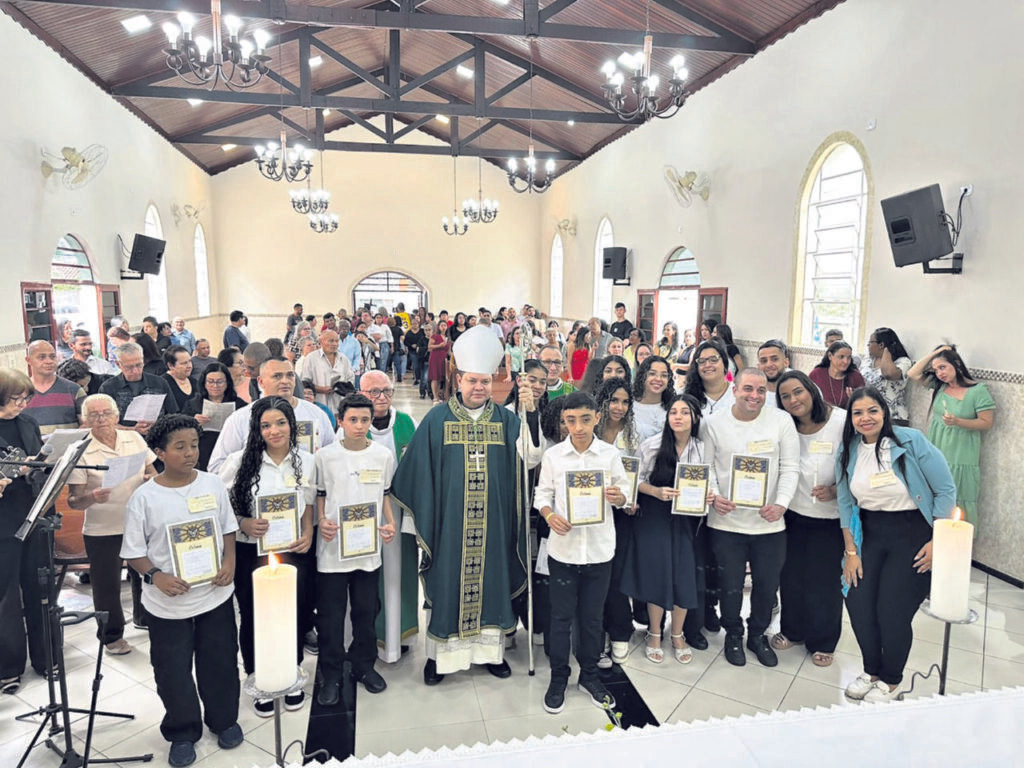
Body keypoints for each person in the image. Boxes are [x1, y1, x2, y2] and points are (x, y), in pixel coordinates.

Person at [390, 326, 541, 685]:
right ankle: (439, 657)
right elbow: (416, 473)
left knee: (492, 583)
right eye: (472, 381)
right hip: (450, 527)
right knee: (446, 586)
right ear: (458, 380)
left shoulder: (506, 420)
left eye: (485, 382)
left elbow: (532, 458)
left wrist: (531, 414)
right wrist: (422, 523)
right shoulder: (437, 420)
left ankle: (491, 653)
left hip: (494, 526)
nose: (479, 388)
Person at [121, 415, 242, 767]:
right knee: (172, 669)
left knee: (219, 661)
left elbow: (228, 528)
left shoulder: (212, 485)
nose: (191, 453)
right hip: (167, 603)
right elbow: (133, 551)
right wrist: (155, 575)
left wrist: (229, 561)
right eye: (180, 447)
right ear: (159, 452)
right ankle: (182, 730)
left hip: (213, 595)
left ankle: (223, 719)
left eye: (194, 445)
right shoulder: (144, 498)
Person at [837, 387, 956, 702]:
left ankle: (891, 679)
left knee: (892, 610)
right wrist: (851, 552)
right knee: (859, 604)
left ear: (884, 412)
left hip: (913, 533)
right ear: (851, 418)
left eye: (873, 410)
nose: (866, 418)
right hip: (869, 534)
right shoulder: (848, 449)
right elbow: (846, 503)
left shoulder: (910, 441)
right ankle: (871, 670)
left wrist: (937, 540)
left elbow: (945, 490)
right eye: (858, 412)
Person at [218, 397, 314, 715]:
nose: (274, 431)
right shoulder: (239, 462)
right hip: (252, 551)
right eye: (266, 425)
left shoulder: (307, 460)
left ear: (292, 425)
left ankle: (291, 671)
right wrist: (244, 522)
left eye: (281, 423)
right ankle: (259, 677)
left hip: (293, 550)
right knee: (255, 614)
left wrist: (308, 533)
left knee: (295, 612)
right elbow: (221, 504)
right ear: (257, 430)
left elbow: (309, 502)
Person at [533, 391, 628, 714]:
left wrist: (619, 496)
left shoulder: (609, 455)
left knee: (591, 619)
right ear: (564, 422)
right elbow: (541, 494)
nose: (578, 427)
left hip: (600, 551)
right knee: (559, 619)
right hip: (564, 551)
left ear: (597, 418)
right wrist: (549, 515)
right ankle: (559, 676)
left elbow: (625, 492)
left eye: (585, 419)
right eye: (571, 420)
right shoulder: (555, 457)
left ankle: (589, 676)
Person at [703, 368, 799, 668]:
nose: (754, 396)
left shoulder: (781, 421)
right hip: (726, 522)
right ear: (734, 389)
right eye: (747, 389)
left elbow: (790, 467)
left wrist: (782, 504)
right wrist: (715, 496)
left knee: (766, 585)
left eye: (760, 390)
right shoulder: (714, 424)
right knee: (730, 584)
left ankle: (757, 635)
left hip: (769, 523)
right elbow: (706, 467)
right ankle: (734, 633)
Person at [315, 393, 397, 702]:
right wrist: (322, 520)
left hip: (367, 549)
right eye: (353, 420)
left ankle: (364, 665)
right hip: (333, 550)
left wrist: (388, 523)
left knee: (366, 611)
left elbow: (385, 494)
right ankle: (331, 674)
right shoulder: (326, 457)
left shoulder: (382, 456)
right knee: (331, 617)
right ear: (341, 421)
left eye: (365, 420)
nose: (360, 426)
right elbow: (320, 495)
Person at [67, 394, 156, 653]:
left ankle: (146, 618)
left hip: (139, 521)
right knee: (107, 585)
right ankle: (111, 635)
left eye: (106, 413)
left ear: (117, 416)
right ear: (85, 420)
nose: (101, 419)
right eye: (94, 415)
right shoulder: (82, 448)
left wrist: (150, 477)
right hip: (103, 527)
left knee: (148, 573)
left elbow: (152, 471)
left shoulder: (135, 438)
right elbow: (74, 500)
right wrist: (91, 497)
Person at [770, 370, 845, 667]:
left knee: (824, 581)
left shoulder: (840, 421)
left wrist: (837, 490)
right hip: (794, 514)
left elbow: (857, 461)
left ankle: (823, 639)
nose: (793, 400)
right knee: (791, 577)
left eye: (798, 392)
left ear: (811, 389)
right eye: (785, 396)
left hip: (830, 518)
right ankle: (793, 629)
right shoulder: (785, 425)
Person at [624, 393, 705, 664]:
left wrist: (708, 495)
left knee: (683, 575)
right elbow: (634, 480)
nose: (678, 417)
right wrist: (656, 492)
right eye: (674, 412)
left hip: (686, 520)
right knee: (657, 575)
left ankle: (678, 634)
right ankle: (655, 633)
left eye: (684, 412)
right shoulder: (652, 446)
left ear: (694, 418)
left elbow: (711, 480)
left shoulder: (701, 448)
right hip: (654, 517)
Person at [357, 371, 419, 663]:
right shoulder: (354, 422)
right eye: (374, 393)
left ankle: (398, 634)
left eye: (386, 391)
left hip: (399, 510)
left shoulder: (406, 422)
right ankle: (368, 634)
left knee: (399, 573)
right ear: (362, 393)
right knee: (369, 574)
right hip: (364, 512)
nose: (381, 398)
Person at [908, 345, 996, 528]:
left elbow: (986, 422)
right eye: (935, 369)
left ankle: (955, 544)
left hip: (961, 453)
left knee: (957, 496)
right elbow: (913, 373)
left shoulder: (978, 391)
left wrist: (958, 422)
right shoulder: (940, 387)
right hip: (936, 449)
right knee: (931, 492)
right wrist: (936, 353)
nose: (939, 373)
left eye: (943, 367)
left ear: (956, 364)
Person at [0, 369, 49, 695]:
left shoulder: (28, 423)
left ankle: (46, 658)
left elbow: (40, 460)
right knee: (6, 598)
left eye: (25, 398)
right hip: (2, 522)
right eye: (15, 399)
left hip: (34, 515)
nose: (21, 404)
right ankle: (8, 666)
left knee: (40, 589)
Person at [207, 358, 335, 473]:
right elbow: (217, 467)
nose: (285, 381)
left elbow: (331, 458)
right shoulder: (240, 418)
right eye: (277, 376)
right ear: (261, 382)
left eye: (290, 375)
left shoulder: (316, 414)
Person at [593, 377, 638, 666]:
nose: (619, 407)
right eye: (614, 400)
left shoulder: (634, 435)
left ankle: (620, 631)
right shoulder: (590, 430)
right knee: (596, 576)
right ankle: (596, 634)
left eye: (625, 401)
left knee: (618, 575)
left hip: (623, 515)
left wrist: (631, 501)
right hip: (591, 514)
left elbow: (640, 474)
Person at [99, 342, 178, 435]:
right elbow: (104, 424)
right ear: (118, 364)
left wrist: (159, 425)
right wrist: (132, 430)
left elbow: (173, 415)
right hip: (124, 441)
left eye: (138, 365)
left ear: (143, 361)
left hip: (158, 438)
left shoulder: (159, 383)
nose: (135, 371)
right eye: (129, 367)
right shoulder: (108, 388)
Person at [182, 363, 244, 471]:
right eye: (210, 381)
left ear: (227, 383)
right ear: (204, 383)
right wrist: (193, 421)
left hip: (230, 453)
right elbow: (181, 430)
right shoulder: (193, 404)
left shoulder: (239, 405)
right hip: (202, 452)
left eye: (220, 382)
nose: (215, 386)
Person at [24, 340, 84, 434]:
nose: (49, 361)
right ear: (28, 360)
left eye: (52, 357)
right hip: (29, 448)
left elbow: (86, 425)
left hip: (68, 447)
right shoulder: (18, 392)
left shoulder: (74, 390)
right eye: (42, 357)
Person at [859, 327, 912, 425]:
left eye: (870, 343)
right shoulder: (868, 360)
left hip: (893, 417)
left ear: (881, 344)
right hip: (868, 414)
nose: (868, 346)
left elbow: (889, 374)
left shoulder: (902, 362)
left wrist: (886, 352)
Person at [303, 330, 355, 416]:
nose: (334, 344)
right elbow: (305, 383)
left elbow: (350, 379)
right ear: (321, 342)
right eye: (331, 341)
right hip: (319, 405)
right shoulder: (311, 358)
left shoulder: (343, 359)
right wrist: (321, 389)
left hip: (339, 406)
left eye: (336, 341)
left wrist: (342, 388)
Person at [631, 356, 673, 441]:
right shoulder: (629, 405)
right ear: (643, 376)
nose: (658, 379)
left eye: (664, 375)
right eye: (652, 374)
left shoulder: (673, 409)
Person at [756, 339, 791, 403]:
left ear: (786, 362)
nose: (769, 364)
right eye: (764, 361)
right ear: (758, 366)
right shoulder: (752, 395)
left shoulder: (800, 387)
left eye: (774, 359)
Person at [162, 345, 196, 411]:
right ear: (171, 365)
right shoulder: (162, 384)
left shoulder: (195, 382)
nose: (189, 366)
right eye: (184, 363)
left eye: (190, 361)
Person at [427, 320, 450, 404]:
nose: (443, 327)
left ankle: (439, 395)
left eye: (445, 325)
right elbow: (429, 347)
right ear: (439, 327)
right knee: (435, 377)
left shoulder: (447, 338)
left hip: (443, 359)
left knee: (441, 378)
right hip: (435, 358)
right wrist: (439, 345)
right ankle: (435, 396)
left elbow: (448, 351)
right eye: (442, 325)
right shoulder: (435, 336)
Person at [404, 316, 428, 396]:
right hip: (412, 351)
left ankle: (422, 379)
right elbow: (405, 341)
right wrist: (411, 345)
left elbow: (424, 339)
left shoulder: (421, 331)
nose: (414, 325)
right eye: (413, 324)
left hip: (422, 351)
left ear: (418, 324)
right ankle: (418, 378)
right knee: (415, 365)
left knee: (422, 365)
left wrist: (418, 345)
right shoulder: (409, 332)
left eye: (416, 324)